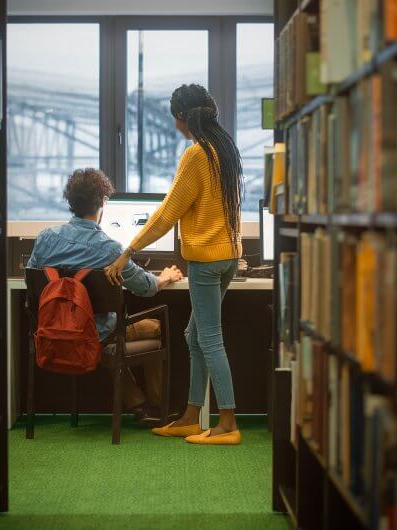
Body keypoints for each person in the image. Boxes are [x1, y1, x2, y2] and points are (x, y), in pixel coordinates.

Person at [105, 84, 244, 445]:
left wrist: (128, 250)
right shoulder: (225, 150)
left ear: (183, 117)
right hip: (228, 255)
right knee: (193, 336)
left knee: (209, 340)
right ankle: (191, 415)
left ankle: (228, 423)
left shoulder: (196, 154)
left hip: (206, 259)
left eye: (175, 117)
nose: (175, 124)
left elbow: (168, 212)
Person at [27, 168, 183, 425]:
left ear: (71, 202)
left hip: (51, 331)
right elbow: (145, 287)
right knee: (152, 327)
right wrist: (165, 277)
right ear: (102, 202)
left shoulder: (45, 238)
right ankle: (156, 407)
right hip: (94, 335)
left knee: (114, 333)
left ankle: (138, 404)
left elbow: (32, 281)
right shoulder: (108, 248)